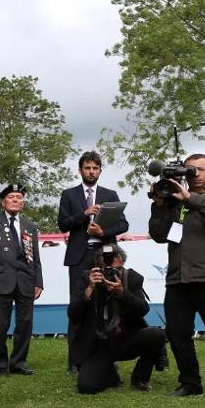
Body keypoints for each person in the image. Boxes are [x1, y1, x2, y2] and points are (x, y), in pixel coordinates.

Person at [147, 154, 205, 401]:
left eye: (200, 169)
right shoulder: (174, 200)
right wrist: (159, 204)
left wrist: (190, 198)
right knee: (178, 334)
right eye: (190, 169)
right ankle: (190, 383)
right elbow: (158, 235)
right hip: (178, 279)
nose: (195, 173)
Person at [58, 152, 129, 373]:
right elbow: (62, 224)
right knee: (79, 305)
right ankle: (75, 361)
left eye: (95, 168)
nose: (91, 171)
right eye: (87, 168)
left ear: (100, 170)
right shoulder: (69, 195)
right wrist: (84, 213)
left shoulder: (110, 194)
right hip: (80, 257)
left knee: (108, 305)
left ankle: (109, 356)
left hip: (104, 254)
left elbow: (124, 225)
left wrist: (103, 231)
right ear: (80, 170)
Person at [70, 245, 166, 394]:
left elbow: (143, 309)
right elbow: (73, 315)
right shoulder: (86, 279)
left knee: (157, 335)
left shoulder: (132, 278)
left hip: (127, 338)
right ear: (98, 269)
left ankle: (140, 378)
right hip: (100, 344)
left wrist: (122, 293)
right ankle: (110, 374)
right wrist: (88, 290)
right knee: (87, 386)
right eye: (108, 270)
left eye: (118, 269)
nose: (114, 273)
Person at [0, 184, 43, 376]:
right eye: (11, 197)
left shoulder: (30, 226)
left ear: (23, 202)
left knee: (25, 324)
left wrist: (38, 282)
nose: (15, 200)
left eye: (19, 197)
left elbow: (36, 257)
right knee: (0, 324)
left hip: (26, 279)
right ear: (3, 201)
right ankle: (1, 365)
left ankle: (18, 363)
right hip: (0, 280)